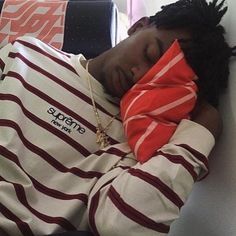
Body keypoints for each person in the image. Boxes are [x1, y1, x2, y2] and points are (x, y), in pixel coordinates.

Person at [0, 0, 235, 235]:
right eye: (149, 54)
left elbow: (124, 226)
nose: (140, 74)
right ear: (138, 26)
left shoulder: (138, 147)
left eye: (160, 79)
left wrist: (199, 135)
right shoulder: (27, 54)